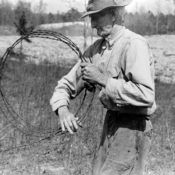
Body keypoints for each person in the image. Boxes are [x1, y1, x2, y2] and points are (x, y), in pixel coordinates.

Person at [50, 0, 156, 174]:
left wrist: (102, 79)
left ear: (115, 14)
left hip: (133, 126)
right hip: (111, 122)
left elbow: (146, 94)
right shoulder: (96, 50)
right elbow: (66, 85)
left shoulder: (134, 44)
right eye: (91, 18)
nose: (92, 24)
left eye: (97, 17)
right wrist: (62, 110)